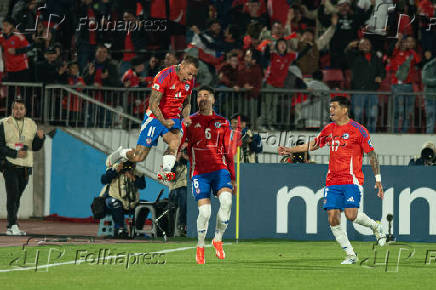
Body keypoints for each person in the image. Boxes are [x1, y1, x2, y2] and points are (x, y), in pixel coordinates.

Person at [278, 96, 386, 264]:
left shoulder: (359, 130)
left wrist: (378, 179)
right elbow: (313, 145)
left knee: (351, 215)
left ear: (344, 109)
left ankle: (375, 227)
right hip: (333, 181)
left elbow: (372, 155)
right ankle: (351, 254)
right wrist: (290, 149)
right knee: (332, 217)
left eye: (334, 107)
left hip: (351, 180)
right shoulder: (329, 129)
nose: (331, 111)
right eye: (330, 108)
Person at [107, 55, 199, 181]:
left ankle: (166, 170)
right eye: (189, 74)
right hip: (155, 117)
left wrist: (186, 116)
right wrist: (163, 121)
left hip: (173, 117)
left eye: (193, 75)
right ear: (182, 66)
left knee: (175, 141)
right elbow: (153, 104)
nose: (190, 78)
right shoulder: (163, 76)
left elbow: (187, 103)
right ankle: (122, 153)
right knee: (139, 157)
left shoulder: (189, 81)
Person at [180, 86, 236, 264]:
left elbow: (228, 151)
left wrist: (233, 177)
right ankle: (200, 246)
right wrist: (170, 159)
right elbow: (178, 144)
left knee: (227, 202)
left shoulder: (223, 122)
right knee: (205, 212)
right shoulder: (189, 122)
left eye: (206, 95)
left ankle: (218, 239)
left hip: (220, 170)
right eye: (199, 96)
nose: (202, 98)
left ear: (213, 99)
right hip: (200, 173)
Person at [0, 97, 45, 235]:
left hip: (26, 166)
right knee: (12, 196)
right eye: (15, 108)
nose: (18, 111)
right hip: (10, 165)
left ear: (25, 110)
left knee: (17, 197)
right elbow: (0, 146)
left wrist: (40, 138)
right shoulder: (3, 123)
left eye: (21, 108)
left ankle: (13, 226)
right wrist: (14, 153)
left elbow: (35, 147)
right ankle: (12, 224)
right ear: (12, 109)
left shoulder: (31, 124)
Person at [100, 160, 146, 238]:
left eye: (131, 164)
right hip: (114, 200)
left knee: (144, 206)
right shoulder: (113, 170)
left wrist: (132, 177)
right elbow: (103, 180)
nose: (128, 166)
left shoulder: (138, 173)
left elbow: (142, 186)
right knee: (116, 203)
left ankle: (137, 230)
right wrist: (116, 171)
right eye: (126, 164)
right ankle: (120, 229)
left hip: (131, 202)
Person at [168, 143, 189, 237]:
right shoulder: (169, 161)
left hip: (189, 188)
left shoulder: (188, 163)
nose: (183, 153)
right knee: (183, 192)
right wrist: (176, 161)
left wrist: (188, 158)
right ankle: (182, 224)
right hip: (176, 190)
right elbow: (169, 178)